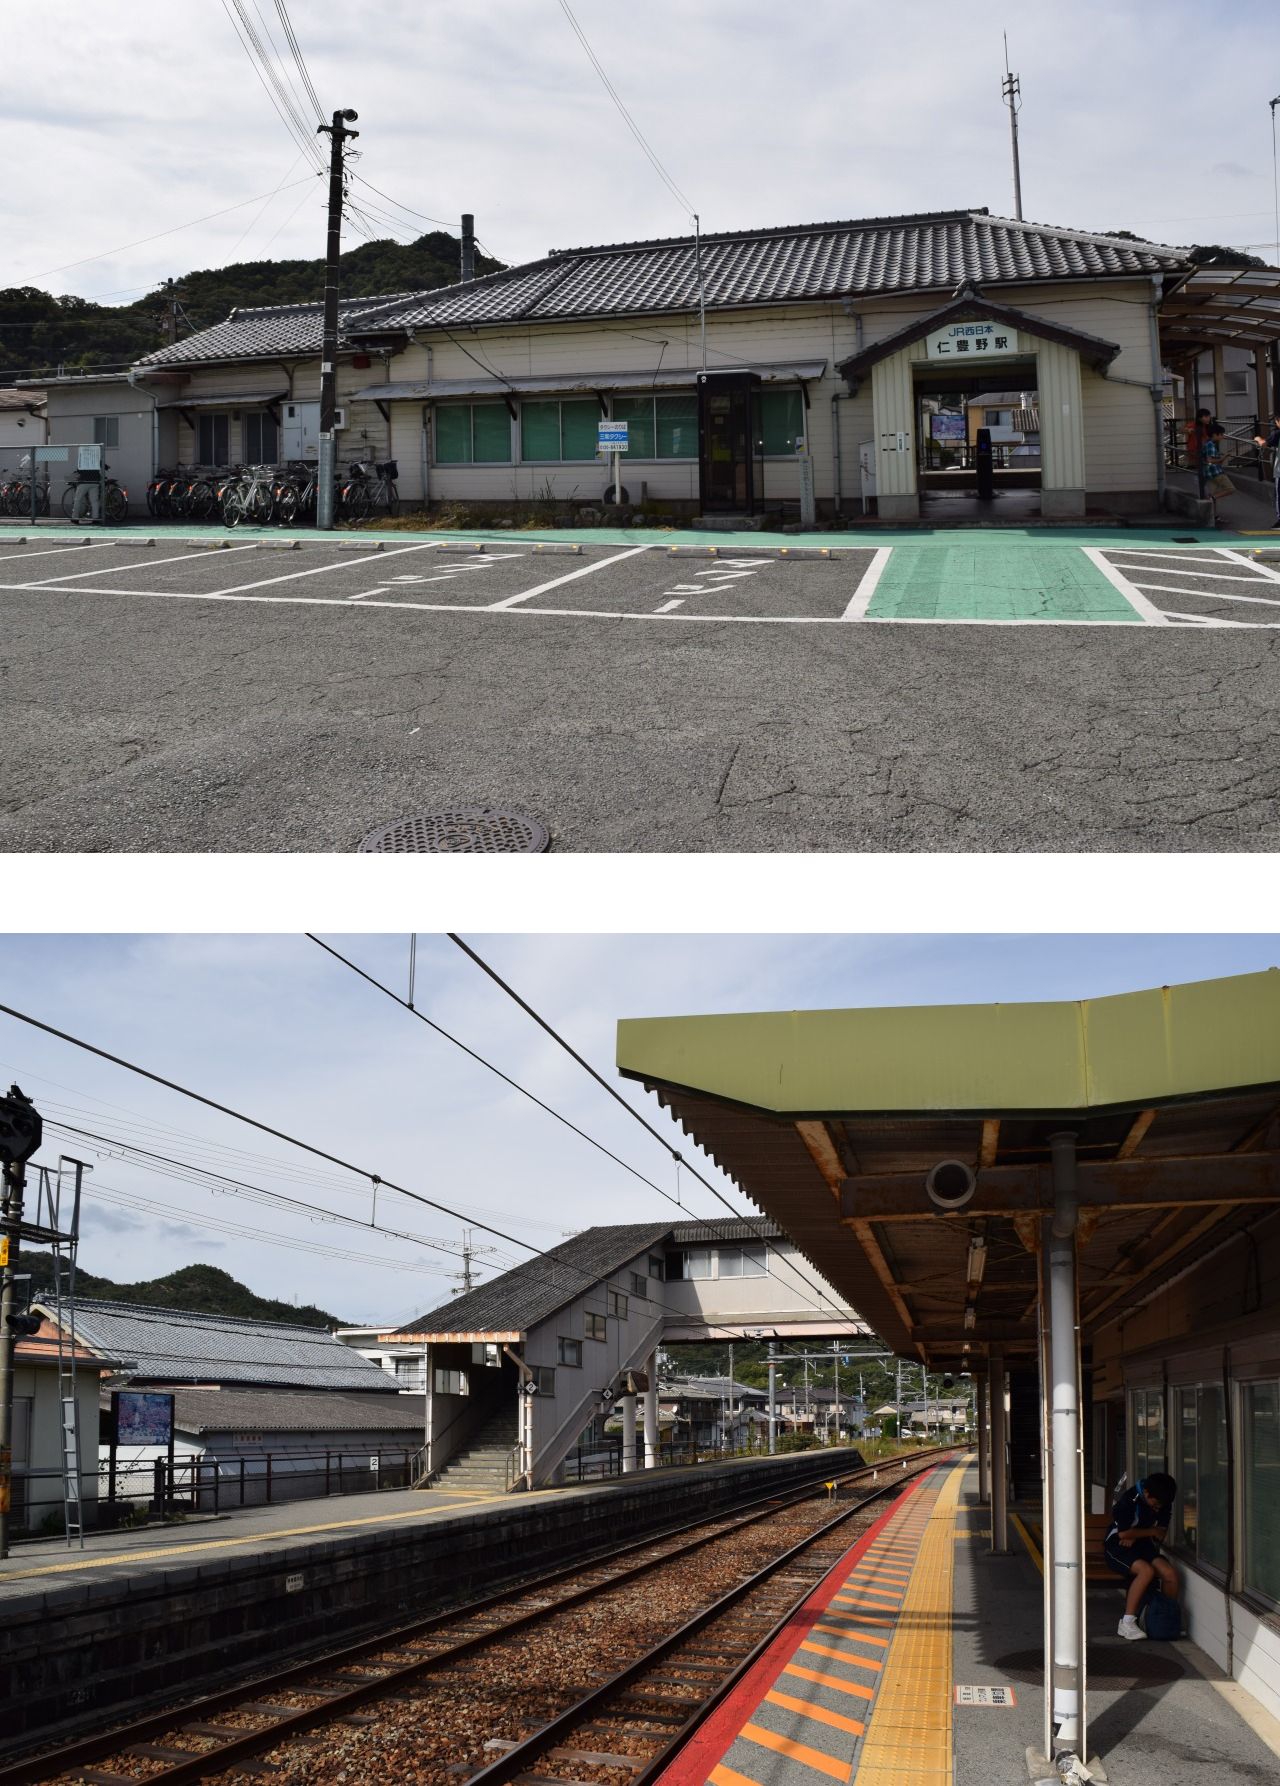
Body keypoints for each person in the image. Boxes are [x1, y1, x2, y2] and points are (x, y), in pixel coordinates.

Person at [1104, 1472, 1178, 1640]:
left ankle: (1164, 1618)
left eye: (1161, 1506)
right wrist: (1147, 1532)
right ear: (1146, 1493)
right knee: (1146, 1571)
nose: (1157, 1508)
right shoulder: (1129, 1500)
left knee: (1170, 1574)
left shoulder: (1163, 1499)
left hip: (1142, 1545)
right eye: (1155, 1504)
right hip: (1116, 1547)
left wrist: (1136, 1535)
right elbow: (1123, 1535)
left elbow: (1161, 1533)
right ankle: (1126, 1623)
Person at [1253, 407, 1280, 528]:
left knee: (1279, 494)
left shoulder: (1277, 434)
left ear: (1277, 421)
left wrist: (1257, 438)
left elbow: (1264, 444)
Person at [1201, 424, 1232, 527]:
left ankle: (1214, 517)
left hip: (1209, 473)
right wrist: (1223, 458)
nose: (1222, 436)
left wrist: (1221, 459)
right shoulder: (1210, 444)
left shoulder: (1209, 444)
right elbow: (1210, 460)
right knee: (1230, 489)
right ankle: (1213, 498)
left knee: (1213, 493)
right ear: (1215, 434)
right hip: (1214, 472)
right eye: (1221, 434)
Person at [1184, 406, 1213, 472]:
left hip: (1204, 450)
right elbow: (1184, 429)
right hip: (1195, 450)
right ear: (1200, 418)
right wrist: (1188, 430)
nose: (1208, 418)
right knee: (1198, 470)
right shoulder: (1194, 425)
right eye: (1206, 417)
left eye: (1208, 416)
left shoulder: (1208, 426)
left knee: (1204, 468)